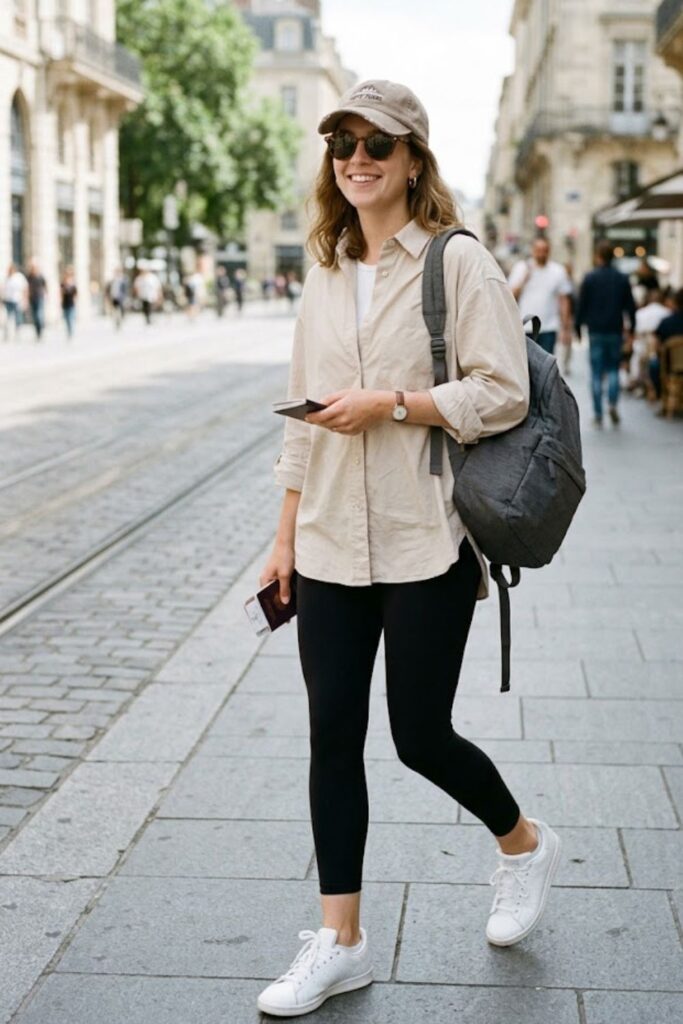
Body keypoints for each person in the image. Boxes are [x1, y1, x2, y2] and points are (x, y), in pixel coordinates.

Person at [257, 79, 562, 1019]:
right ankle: (340, 942)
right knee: (330, 736)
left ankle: (522, 844)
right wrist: (281, 540)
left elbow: (501, 392)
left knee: (419, 736)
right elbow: (303, 420)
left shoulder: (457, 262)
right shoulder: (324, 267)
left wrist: (392, 405)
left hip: (425, 534)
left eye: (376, 144)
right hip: (326, 541)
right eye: (342, 143)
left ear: (412, 159)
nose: (357, 158)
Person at [574, 240, 636, 426]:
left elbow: (581, 305)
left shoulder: (590, 278)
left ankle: (598, 412)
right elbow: (630, 307)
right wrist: (632, 328)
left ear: (598, 256)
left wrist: (578, 328)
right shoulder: (622, 278)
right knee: (613, 369)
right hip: (615, 330)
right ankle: (613, 404)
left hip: (595, 330)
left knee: (596, 372)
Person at [507, 238, 573, 355]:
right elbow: (510, 296)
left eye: (545, 250)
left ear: (549, 251)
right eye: (538, 250)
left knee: (546, 363)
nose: (541, 254)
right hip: (525, 326)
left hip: (549, 327)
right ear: (532, 250)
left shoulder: (558, 271)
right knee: (526, 364)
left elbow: (564, 300)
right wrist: (524, 280)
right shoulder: (521, 268)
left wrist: (565, 328)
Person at [631, 287, 670, 396]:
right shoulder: (667, 312)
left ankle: (643, 385)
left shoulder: (640, 313)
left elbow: (637, 333)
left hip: (645, 348)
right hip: (662, 349)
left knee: (639, 357)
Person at [651, 286, 683, 404]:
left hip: (669, 365)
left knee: (654, 365)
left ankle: (662, 396)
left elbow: (657, 345)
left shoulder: (666, 322)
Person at [2, 263, 28, 342]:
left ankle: (18, 332)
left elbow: (25, 288)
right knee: (8, 317)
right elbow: (3, 289)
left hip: (17, 300)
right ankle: (7, 333)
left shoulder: (19, 277)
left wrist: (25, 299)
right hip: (8, 300)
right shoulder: (6, 277)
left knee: (18, 317)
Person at [27, 260, 47, 340]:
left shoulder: (40, 277)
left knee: (39, 314)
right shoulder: (29, 277)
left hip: (39, 297)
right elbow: (27, 287)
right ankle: (37, 332)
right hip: (32, 298)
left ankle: (41, 327)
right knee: (34, 316)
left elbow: (45, 286)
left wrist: (45, 294)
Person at [60, 266, 77, 339]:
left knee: (70, 318)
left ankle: (70, 332)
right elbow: (60, 293)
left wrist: (75, 301)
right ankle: (68, 331)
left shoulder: (73, 284)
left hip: (71, 303)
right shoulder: (63, 284)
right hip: (65, 303)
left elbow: (76, 293)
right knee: (66, 319)